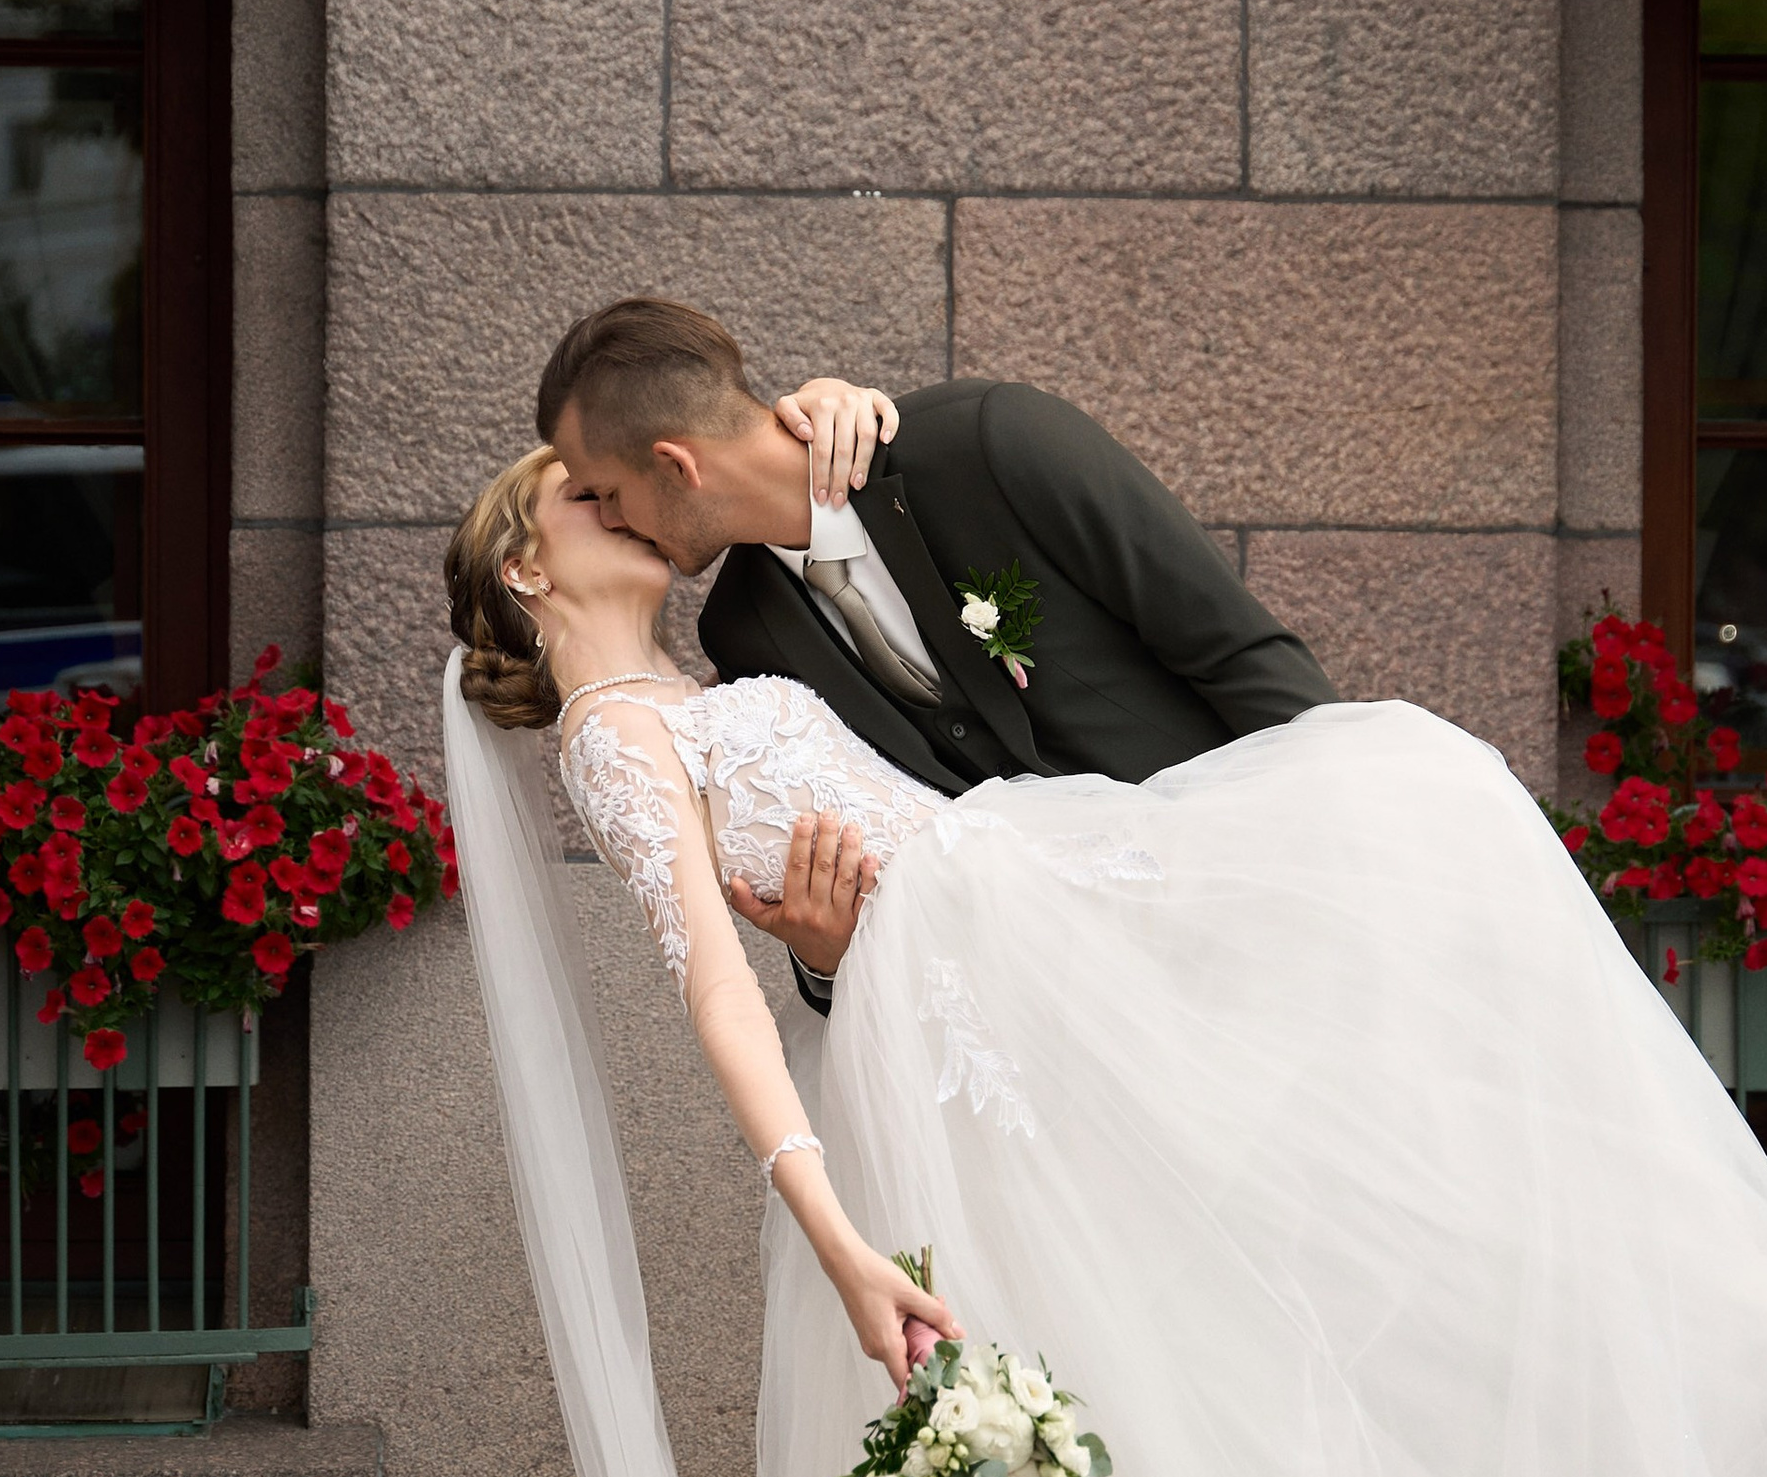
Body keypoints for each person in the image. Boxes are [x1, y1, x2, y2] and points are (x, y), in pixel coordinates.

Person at [438, 343, 1767, 1477]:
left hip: (1091, 921)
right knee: (1184, 1341)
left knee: (1415, 802)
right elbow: (731, 975)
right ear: (528, 558)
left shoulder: (898, 511)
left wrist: (1325, 900)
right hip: (998, 992)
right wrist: (841, 1205)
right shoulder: (662, 704)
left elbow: (1218, 676)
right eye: (583, 496)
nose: (615, 502)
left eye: (609, 477)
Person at [540, 298, 1336, 1008]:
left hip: (1259, 910)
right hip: (1083, 1015)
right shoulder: (744, 633)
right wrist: (822, 957)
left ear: (676, 464)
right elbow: (866, 867)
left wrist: (1337, 885)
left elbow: (1246, 658)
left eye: (607, 493)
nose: (612, 520)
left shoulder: (992, 444)